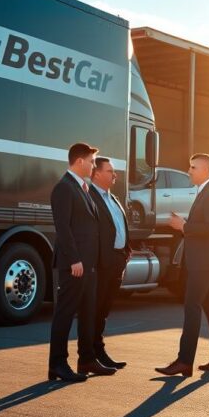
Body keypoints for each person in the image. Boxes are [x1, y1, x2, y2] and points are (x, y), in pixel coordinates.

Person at [156, 153, 209, 377]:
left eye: (193, 167)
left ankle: (184, 362)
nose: (189, 171)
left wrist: (183, 226)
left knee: (192, 306)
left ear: (205, 171)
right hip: (201, 260)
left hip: (204, 262)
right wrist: (185, 224)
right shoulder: (204, 192)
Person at [48, 142, 116, 382]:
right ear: (79, 161)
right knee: (65, 314)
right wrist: (74, 259)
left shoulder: (82, 188)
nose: (93, 165)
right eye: (90, 161)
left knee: (88, 313)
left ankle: (86, 360)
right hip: (75, 265)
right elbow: (63, 228)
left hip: (89, 266)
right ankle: (57, 364)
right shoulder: (64, 188)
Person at [88, 157, 131, 371]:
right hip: (101, 264)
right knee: (94, 309)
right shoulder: (90, 197)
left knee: (104, 310)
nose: (115, 175)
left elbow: (120, 226)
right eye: (110, 171)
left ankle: (99, 351)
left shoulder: (112, 198)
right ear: (96, 173)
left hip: (116, 260)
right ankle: (89, 355)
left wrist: (126, 252)